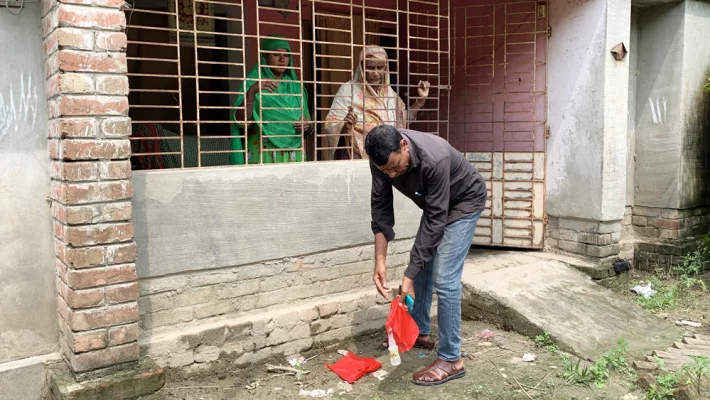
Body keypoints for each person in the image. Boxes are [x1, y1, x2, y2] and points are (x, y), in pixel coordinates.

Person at [365, 125, 487, 386]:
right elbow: (381, 206)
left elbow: (435, 220)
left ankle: (452, 359)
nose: (392, 175)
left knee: (445, 278)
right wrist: (380, 260)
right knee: (419, 265)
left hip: (464, 202)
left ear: (404, 147)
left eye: (396, 168)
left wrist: (408, 275)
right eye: (386, 171)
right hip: (436, 205)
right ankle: (419, 331)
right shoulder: (381, 159)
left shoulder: (435, 157)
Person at [324, 45, 431, 160]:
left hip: (387, 158)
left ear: (385, 69)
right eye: (370, 68)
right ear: (362, 67)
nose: (375, 73)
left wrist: (421, 100)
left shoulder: (390, 94)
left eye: (380, 68)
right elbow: (331, 123)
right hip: (356, 156)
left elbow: (404, 119)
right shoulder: (348, 90)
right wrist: (345, 125)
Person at [230, 35, 313, 165]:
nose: (282, 59)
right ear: (265, 57)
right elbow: (241, 122)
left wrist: (307, 125)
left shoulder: (296, 86)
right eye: (276, 54)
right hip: (264, 151)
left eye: (286, 55)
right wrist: (252, 91)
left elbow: (307, 121)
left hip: (294, 152)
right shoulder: (252, 83)